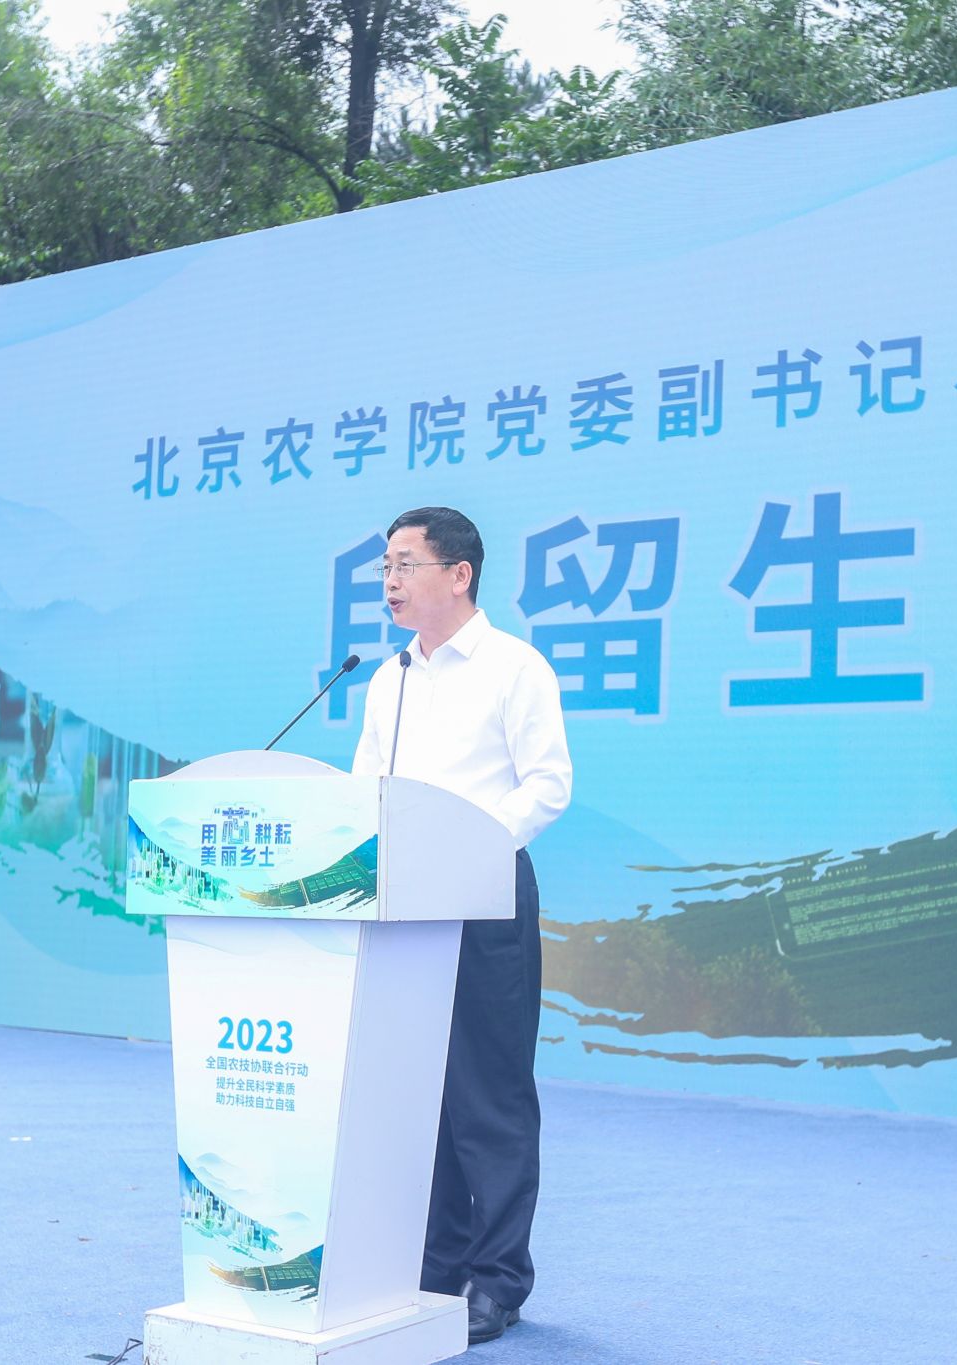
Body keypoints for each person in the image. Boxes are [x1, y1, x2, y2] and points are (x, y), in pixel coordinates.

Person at [351, 505, 572, 1345]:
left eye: (405, 564)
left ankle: (498, 1278)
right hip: (403, 901)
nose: (390, 581)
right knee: (418, 1091)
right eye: (385, 567)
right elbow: (366, 787)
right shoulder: (388, 679)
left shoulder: (515, 667)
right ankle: (434, 1267)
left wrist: (467, 846)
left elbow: (547, 783)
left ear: (459, 573)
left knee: (489, 1092)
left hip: (484, 893)